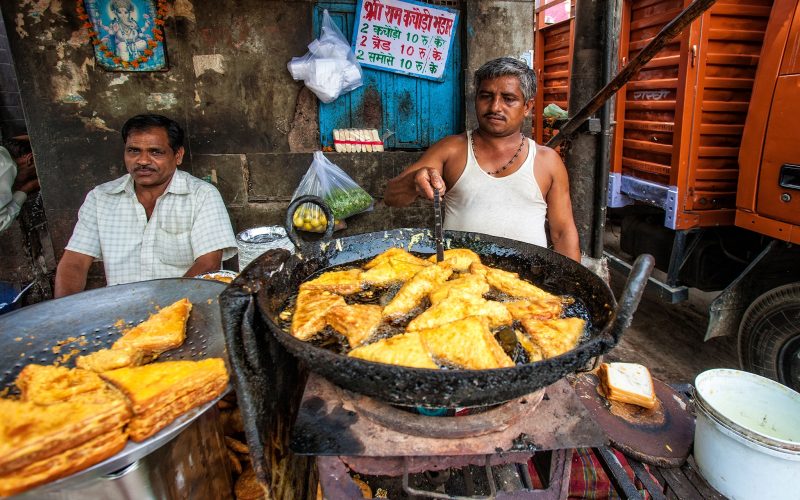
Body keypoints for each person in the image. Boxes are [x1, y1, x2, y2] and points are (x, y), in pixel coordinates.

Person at [384, 57, 580, 262]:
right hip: (458, 282)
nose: (495, 107)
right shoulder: (451, 149)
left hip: (526, 283)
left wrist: (576, 290)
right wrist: (415, 180)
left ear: (527, 107)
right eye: (486, 96)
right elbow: (391, 196)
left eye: (508, 99)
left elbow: (563, 232)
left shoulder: (547, 161)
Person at [55, 114, 237, 297]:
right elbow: (74, 262)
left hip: (184, 308)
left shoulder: (201, 195)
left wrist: (160, 311)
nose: (142, 160)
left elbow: (208, 264)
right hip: (120, 311)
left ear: (178, 155)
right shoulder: (100, 198)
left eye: (155, 152)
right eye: (134, 151)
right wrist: (64, 313)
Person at [0, 135, 38, 233]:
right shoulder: (8, 166)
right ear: (31, 159)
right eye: (34, 175)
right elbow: (1, 222)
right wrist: (27, 188)